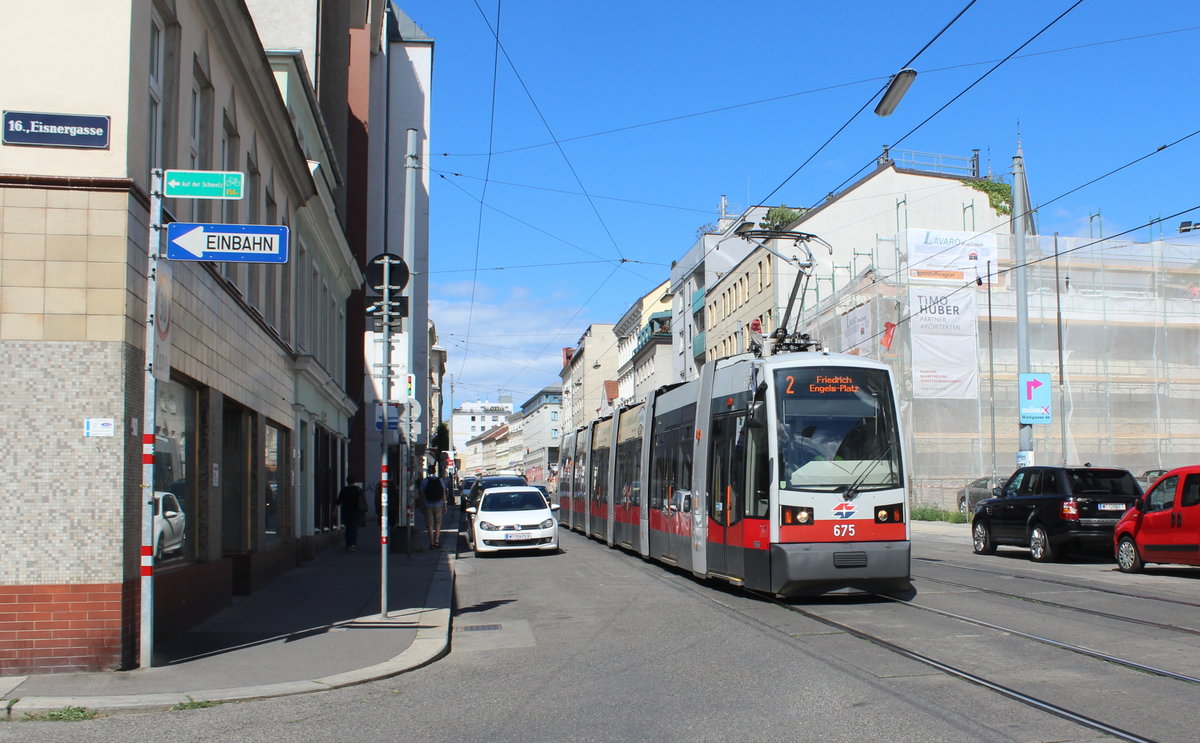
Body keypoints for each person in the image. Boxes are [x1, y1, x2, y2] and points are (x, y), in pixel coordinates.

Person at [336, 475, 367, 551]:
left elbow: (339, 500)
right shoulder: (358, 489)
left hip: (346, 511)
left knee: (348, 528)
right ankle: (352, 545)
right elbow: (362, 501)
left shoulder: (344, 490)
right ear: (354, 481)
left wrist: (335, 510)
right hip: (355, 511)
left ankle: (348, 544)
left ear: (347, 481)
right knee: (354, 529)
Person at [418, 468, 446, 549]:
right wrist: (444, 505)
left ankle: (431, 543)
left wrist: (421, 504)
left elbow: (422, 494)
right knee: (438, 524)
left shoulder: (424, 481)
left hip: (428, 504)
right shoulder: (440, 480)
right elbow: (443, 493)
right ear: (435, 471)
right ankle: (437, 541)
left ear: (428, 472)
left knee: (429, 525)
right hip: (438, 504)